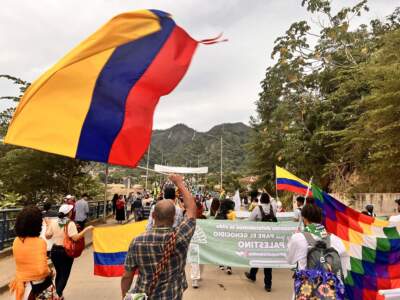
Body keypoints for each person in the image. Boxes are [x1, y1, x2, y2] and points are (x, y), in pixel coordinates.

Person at [121, 174, 196, 300]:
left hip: (144, 295)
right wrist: (179, 183)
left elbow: (127, 276)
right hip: (172, 295)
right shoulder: (181, 237)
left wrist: (124, 296)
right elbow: (192, 209)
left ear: (153, 216)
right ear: (173, 218)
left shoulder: (137, 241)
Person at [287, 204, 349, 289]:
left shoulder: (297, 238)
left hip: (306, 291)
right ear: (321, 219)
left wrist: (293, 240)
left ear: (304, 220)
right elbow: (343, 272)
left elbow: (290, 260)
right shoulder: (336, 239)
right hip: (330, 292)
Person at [45, 204, 93, 299]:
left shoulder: (54, 222)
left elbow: (47, 236)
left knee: (59, 272)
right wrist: (86, 229)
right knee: (64, 275)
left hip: (54, 251)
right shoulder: (70, 223)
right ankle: (57, 295)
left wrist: (49, 225)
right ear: (69, 213)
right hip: (65, 252)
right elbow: (75, 238)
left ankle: (58, 294)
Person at [10, 206, 52, 300]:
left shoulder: (16, 240)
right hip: (36, 289)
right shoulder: (40, 242)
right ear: (37, 224)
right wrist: (50, 271)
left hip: (20, 286)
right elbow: (41, 270)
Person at [245, 193, 276, 292]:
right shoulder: (273, 208)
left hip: (259, 238)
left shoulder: (257, 209)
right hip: (270, 238)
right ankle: (268, 285)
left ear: (261, 200)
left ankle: (253, 275)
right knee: (268, 261)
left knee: (257, 256)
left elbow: (250, 221)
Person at [215, 198, 236, 275]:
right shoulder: (232, 213)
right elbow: (234, 224)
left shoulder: (219, 213)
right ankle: (229, 267)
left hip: (221, 235)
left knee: (221, 249)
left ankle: (221, 264)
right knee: (229, 251)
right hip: (229, 235)